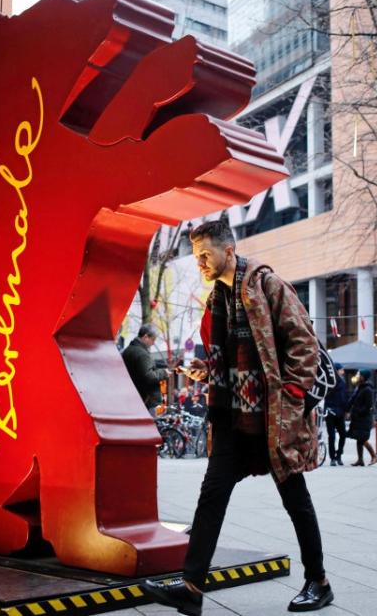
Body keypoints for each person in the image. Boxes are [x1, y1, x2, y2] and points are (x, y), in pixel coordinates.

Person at [141, 220, 333, 615]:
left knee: (295, 500)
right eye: (196, 257)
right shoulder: (217, 298)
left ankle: (319, 581)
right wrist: (205, 368)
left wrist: (292, 395)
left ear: (228, 251)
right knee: (212, 494)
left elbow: (304, 342)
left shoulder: (267, 285)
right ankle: (192, 586)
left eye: (205, 255)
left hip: (271, 418)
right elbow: (227, 357)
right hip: (232, 417)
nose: (200, 264)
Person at [121, 324, 171, 416]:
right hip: (146, 401)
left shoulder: (127, 351)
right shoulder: (142, 354)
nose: (153, 343)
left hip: (131, 399)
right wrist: (163, 372)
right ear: (146, 337)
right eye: (153, 340)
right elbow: (149, 377)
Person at [347, 369, 377, 466]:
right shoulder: (359, 387)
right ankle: (360, 459)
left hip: (363, 418)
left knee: (362, 438)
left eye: (359, 375)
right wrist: (348, 408)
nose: (357, 376)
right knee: (358, 438)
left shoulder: (367, 389)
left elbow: (368, 405)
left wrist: (358, 412)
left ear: (363, 377)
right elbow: (353, 399)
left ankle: (374, 456)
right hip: (357, 418)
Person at [324, 363, 348, 466]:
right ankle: (333, 458)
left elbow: (344, 397)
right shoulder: (329, 381)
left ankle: (338, 455)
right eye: (342, 370)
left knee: (343, 435)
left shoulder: (343, 382)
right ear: (337, 370)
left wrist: (346, 410)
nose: (343, 372)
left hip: (340, 412)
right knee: (332, 436)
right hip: (331, 412)